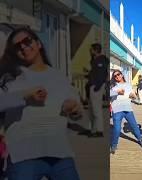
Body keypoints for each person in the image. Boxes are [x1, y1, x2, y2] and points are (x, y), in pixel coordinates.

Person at [0, 27, 82, 180]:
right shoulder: (11, 77)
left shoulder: (59, 77)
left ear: (38, 44)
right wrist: (26, 95)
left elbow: (77, 110)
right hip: (23, 156)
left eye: (26, 41)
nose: (23, 47)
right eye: (18, 47)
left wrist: (74, 109)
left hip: (59, 153)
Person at [110, 70, 142, 154]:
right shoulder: (113, 85)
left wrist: (133, 96)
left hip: (128, 109)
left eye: (118, 74)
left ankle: (140, 140)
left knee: (134, 126)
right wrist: (117, 92)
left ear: (122, 75)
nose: (117, 76)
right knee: (117, 129)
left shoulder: (128, 85)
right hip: (117, 110)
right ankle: (114, 145)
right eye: (115, 76)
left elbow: (133, 95)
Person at [87, 43, 107, 137]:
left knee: (96, 109)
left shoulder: (101, 60)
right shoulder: (95, 60)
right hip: (93, 85)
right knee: (91, 109)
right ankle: (93, 130)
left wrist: (97, 86)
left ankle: (99, 131)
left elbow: (101, 75)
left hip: (96, 87)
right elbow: (96, 73)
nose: (90, 51)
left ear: (95, 50)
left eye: (91, 49)